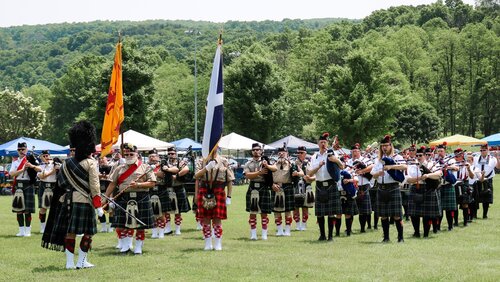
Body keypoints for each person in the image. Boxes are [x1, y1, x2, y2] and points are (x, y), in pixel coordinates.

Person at [41, 121, 103, 269]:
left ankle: (69, 263)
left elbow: (61, 184)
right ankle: (81, 262)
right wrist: (98, 205)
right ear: (89, 146)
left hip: (66, 201)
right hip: (84, 201)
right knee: (88, 233)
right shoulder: (91, 163)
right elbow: (95, 186)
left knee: (70, 232)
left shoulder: (65, 163)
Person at [104, 143, 156, 254]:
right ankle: (126, 246)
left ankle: (138, 247)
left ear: (137, 154)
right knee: (124, 224)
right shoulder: (119, 168)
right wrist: (106, 198)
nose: (128, 156)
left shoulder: (145, 167)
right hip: (124, 197)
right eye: (126, 154)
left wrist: (138, 185)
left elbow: (152, 183)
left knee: (140, 225)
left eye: (131, 154)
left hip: (141, 197)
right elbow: (112, 184)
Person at [194, 147, 234, 250]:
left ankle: (217, 243)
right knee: (206, 218)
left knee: (217, 218)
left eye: (214, 146)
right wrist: (206, 168)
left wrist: (229, 196)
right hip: (204, 190)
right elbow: (196, 176)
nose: (212, 148)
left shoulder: (224, 161)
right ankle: (207, 243)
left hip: (219, 191)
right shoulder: (201, 161)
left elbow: (230, 180)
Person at [307, 132, 344, 241]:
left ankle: (331, 236)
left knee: (331, 213)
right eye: (321, 142)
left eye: (324, 142)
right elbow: (309, 173)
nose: (323, 144)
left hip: (331, 185)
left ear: (327, 143)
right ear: (318, 144)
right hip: (319, 186)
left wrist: (335, 160)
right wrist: (318, 166)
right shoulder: (315, 156)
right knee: (320, 213)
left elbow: (342, 167)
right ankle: (322, 235)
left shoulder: (332, 153)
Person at [370, 135, 407, 243]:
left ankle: (400, 238)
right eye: (382, 146)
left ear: (391, 146)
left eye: (386, 145)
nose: (384, 148)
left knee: (396, 215)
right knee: (383, 216)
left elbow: (405, 167)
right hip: (381, 188)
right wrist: (378, 173)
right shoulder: (378, 160)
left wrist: (391, 167)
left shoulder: (397, 157)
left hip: (393, 187)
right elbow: (373, 175)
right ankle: (386, 238)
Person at [406, 146, 442, 238]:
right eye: (417, 155)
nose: (418, 157)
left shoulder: (432, 164)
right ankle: (416, 232)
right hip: (415, 188)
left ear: (425, 155)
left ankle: (426, 233)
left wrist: (428, 175)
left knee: (427, 214)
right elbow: (408, 180)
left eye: (420, 155)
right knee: (414, 214)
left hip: (428, 189)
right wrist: (419, 178)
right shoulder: (412, 165)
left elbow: (439, 174)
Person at [244, 143, 277, 240]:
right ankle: (253, 234)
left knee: (264, 212)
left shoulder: (265, 161)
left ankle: (264, 234)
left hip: (264, 187)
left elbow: (275, 169)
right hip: (253, 186)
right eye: (254, 149)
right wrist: (259, 172)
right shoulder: (248, 163)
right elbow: (247, 175)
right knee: (252, 211)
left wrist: (268, 166)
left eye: (258, 149)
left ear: (261, 151)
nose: (256, 151)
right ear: (252, 151)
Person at [10, 142, 40, 237]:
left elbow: (40, 169)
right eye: (19, 149)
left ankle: (28, 230)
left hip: (28, 185)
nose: (21, 151)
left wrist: (31, 166)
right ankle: (21, 231)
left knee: (27, 210)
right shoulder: (15, 162)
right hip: (18, 185)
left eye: (23, 149)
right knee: (19, 209)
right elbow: (12, 174)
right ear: (17, 150)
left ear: (26, 150)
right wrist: (22, 170)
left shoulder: (31, 159)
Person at [271, 146, 297, 236]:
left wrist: (296, 173)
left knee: (288, 210)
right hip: (275, 187)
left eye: (283, 152)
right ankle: (279, 230)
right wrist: (272, 184)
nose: (281, 154)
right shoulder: (273, 164)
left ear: (287, 154)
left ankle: (287, 230)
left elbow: (299, 174)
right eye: (279, 153)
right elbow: (267, 177)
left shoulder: (291, 164)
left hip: (287, 187)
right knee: (276, 210)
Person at [347, 143, 373, 233]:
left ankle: (362, 228)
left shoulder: (365, 160)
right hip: (351, 186)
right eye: (353, 151)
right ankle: (349, 229)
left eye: (357, 151)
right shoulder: (348, 161)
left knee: (363, 210)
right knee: (350, 209)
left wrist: (362, 170)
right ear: (351, 152)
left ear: (359, 152)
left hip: (363, 185)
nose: (355, 153)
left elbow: (372, 167)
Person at [165, 147, 191, 235]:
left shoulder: (180, 162)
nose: (171, 155)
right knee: (167, 210)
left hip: (178, 187)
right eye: (169, 153)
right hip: (167, 187)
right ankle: (167, 228)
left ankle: (177, 229)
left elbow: (186, 169)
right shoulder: (164, 162)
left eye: (172, 153)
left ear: (176, 154)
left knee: (178, 210)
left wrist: (177, 175)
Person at [436, 143, 458, 231]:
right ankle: (437, 227)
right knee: (439, 208)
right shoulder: (435, 160)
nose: (440, 153)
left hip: (448, 185)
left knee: (449, 209)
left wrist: (447, 167)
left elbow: (456, 168)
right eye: (438, 151)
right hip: (439, 186)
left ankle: (450, 226)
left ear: (445, 151)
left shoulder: (450, 159)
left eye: (441, 151)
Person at [473, 144, 499, 219]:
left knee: (486, 198)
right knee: (476, 197)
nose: (482, 151)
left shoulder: (492, 158)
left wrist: (497, 157)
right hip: (478, 179)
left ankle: (485, 215)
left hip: (488, 179)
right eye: (481, 150)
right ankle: (474, 215)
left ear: (487, 150)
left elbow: (498, 167)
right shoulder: (476, 158)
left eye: (484, 150)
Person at [292, 146, 314, 231]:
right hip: (296, 186)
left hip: (307, 186)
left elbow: (314, 175)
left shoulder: (309, 163)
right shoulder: (293, 163)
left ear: (305, 153)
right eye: (298, 153)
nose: (299, 154)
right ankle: (297, 225)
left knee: (305, 206)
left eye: (301, 153)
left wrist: (310, 178)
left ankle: (304, 224)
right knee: (296, 207)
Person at [37, 150, 59, 234]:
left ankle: (53, 226)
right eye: (44, 156)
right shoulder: (40, 166)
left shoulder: (55, 163)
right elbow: (42, 176)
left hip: (54, 186)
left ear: (49, 156)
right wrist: (52, 171)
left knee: (55, 208)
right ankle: (43, 227)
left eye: (47, 155)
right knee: (43, 208)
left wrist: (56, 167)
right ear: (42, 157)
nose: (46, 157)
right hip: (43, 185)